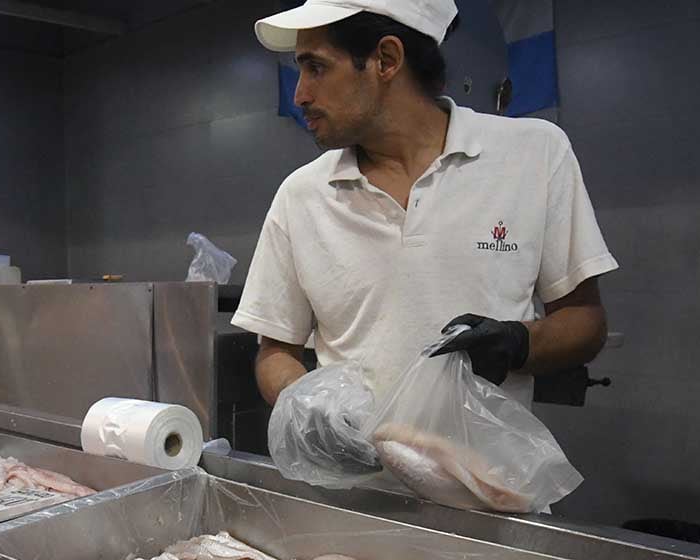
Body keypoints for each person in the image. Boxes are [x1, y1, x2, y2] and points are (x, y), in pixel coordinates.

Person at [234, 0, 615, 408]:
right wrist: (309, 410)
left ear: (386, 59)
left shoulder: (534, 154)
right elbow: (276, 350)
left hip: (484, 471)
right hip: (350, 471)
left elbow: (584, 321)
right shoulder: (302, 194)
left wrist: (519, 343)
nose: (300, 95)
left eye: (316, 68)